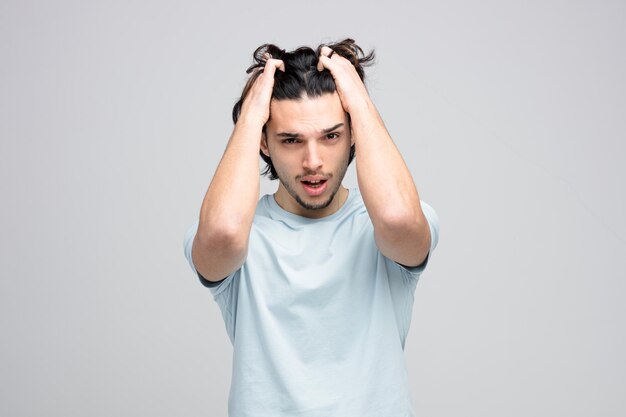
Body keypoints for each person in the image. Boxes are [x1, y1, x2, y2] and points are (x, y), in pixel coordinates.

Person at [183, 39, 440, 417]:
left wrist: (361, 104)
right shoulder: (240, 233)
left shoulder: (384, 222)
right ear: (265, 144)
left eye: (331, 136)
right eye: (291, 140)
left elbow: (398, 221)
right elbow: (221, 234)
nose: (313, 161)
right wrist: (250, 119)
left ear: (353, 133)